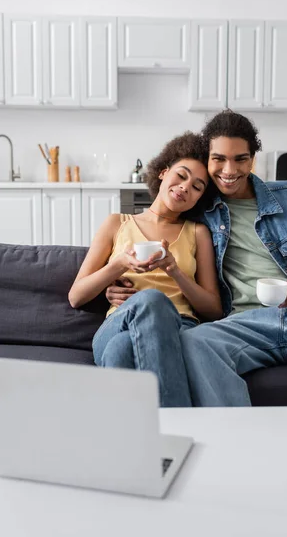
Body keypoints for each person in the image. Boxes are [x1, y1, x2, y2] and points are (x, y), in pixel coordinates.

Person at [108, 111, 287, 442]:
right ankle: (241, 448)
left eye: (240, 159)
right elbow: (154, 229)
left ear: (253, 159)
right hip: (243, 324)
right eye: (218, 159)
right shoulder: (197, 207)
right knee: (193, 343)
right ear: (206, 160)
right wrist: (116, 284)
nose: (229, 170)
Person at [68, 132, 222, 407]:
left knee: (120, 349)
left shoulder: (198, 233)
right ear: (163, 172)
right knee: (149, 301)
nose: (186, 187)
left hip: (179, 326)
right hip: (117, 322)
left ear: (200, 198)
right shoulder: (117, 223)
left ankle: (127, 442)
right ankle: (179, 423)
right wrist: (118, 265)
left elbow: (213, 308)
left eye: (197, 187)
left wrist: (175, 270)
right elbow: (76, 296)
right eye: (181, 175)